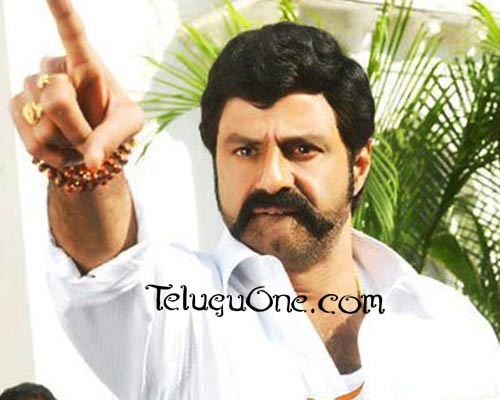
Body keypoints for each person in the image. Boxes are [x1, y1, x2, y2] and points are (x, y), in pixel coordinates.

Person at [8, 0, 500, 399]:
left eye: (301, 149)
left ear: (359, 166)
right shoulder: (181, 317)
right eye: (244, 150)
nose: (271, 177)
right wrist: (85, 164)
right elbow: (108, 269)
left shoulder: (450, 330)